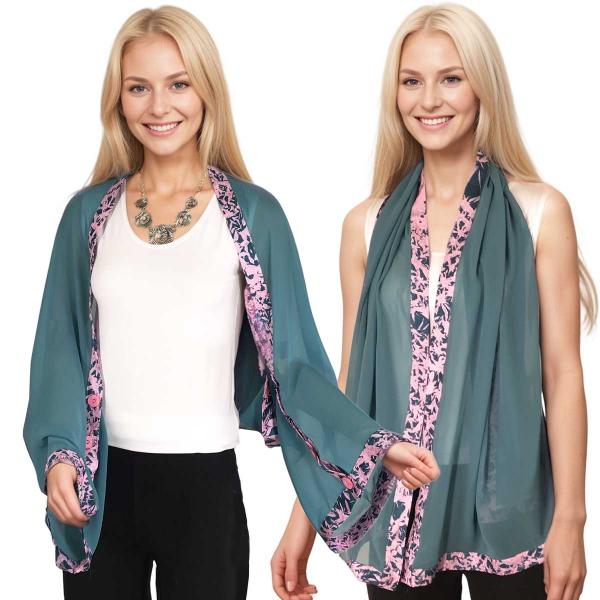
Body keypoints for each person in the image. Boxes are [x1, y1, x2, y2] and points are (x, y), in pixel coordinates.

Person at [23, 6, 443, 600]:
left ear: (207, 91)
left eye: (178, 84)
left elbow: (297, 366)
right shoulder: (87, 215)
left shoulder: (253, 215)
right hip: (102, 484)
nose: (158, 106)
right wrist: (59, 457)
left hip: (204, 488)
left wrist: (374, 443)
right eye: (138, 88)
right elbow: (58, 353)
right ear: (118, 100)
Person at [272, 4, 593, 600]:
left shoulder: (539, 211)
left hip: (510, 500)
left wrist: (572, 517)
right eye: (411, 80)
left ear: (482, 85)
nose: (429, 100)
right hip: (399, 502)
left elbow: (562, 372)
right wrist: (304, 518)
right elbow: (350, 386)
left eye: (450, 78)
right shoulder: (366, 225)